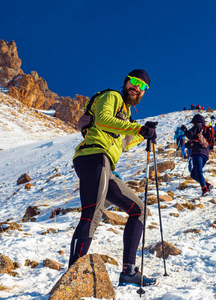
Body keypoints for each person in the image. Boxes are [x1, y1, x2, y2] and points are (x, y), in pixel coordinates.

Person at [70, 69, 157, 287]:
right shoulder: (112, 97)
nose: (137, 88)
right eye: (135, 82)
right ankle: (72, 277)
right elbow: (104, 121)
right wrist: (139, 128)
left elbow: (124, 141)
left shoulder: (126, 116)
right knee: (92, 212)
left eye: (142, 87)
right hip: (93, 156)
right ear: (127, 82)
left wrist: (145, 135)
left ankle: (128, 271)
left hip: (106, 164)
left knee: (140, 210)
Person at [181, 114, 213, 196]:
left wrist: (184, 130)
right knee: (193, 174)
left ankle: (204, 189)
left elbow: (190, 134)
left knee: (198, 172)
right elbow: (195, 139)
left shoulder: (197, 125)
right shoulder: (205, 128)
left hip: (197, 153)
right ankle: (207, 184)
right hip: (205, 153)